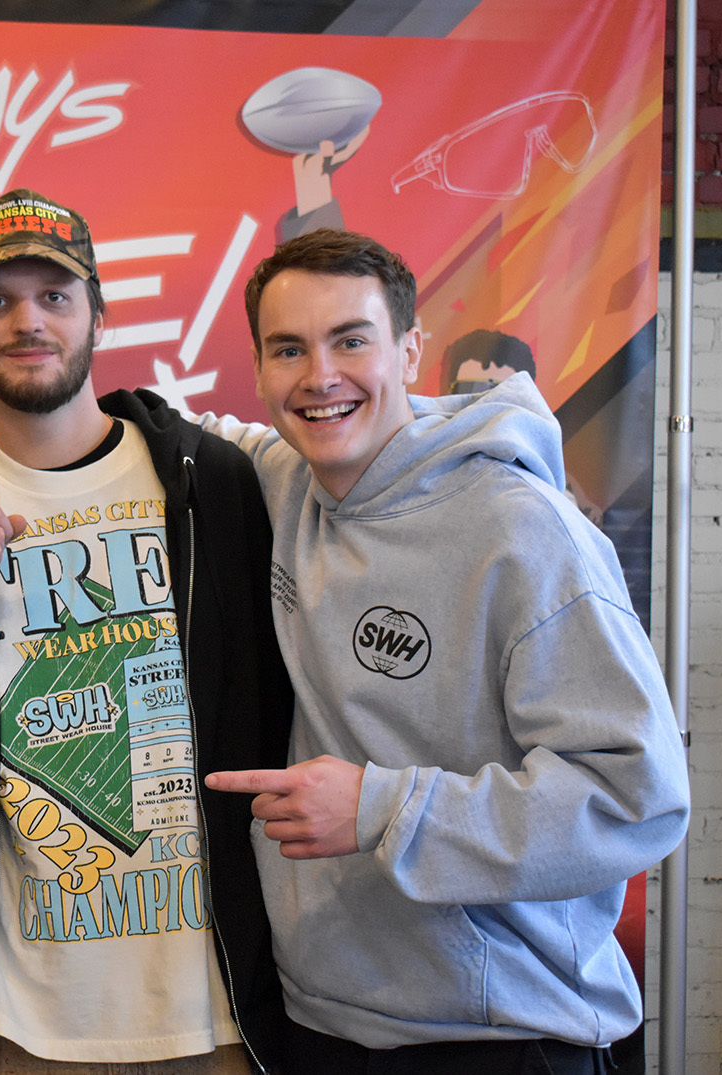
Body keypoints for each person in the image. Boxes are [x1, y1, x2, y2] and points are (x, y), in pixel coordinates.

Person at [191, 229, 689, 1073]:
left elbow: (637, 797)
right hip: (322, 1022)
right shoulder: (287, 479)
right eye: (289, 348)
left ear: (411, 347)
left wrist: (386, 808)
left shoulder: (524, 531)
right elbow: (171, 429)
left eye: (352, 339)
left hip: (501, 1036)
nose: (321, 376)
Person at [0, 190, 293, 1075]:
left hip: (213, 1016)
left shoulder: (210, 480)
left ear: (99, 311)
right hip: (21, 1025)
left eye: (55, 296)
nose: (28, 321)